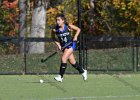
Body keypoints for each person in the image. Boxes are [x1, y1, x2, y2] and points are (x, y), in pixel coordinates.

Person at [51, 13, 87, 82]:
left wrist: (76, 36)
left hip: (71, 44)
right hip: (64, 46)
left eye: (59, 20)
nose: (57, 21)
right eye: (56, 20)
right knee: (72, 61)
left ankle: (60, 76)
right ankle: (83, 71)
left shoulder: (68, 26)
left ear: (63, 20)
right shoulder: (54, 29)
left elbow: (78, 29)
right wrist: (58, 44)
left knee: (63, 58)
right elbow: (53, 37)